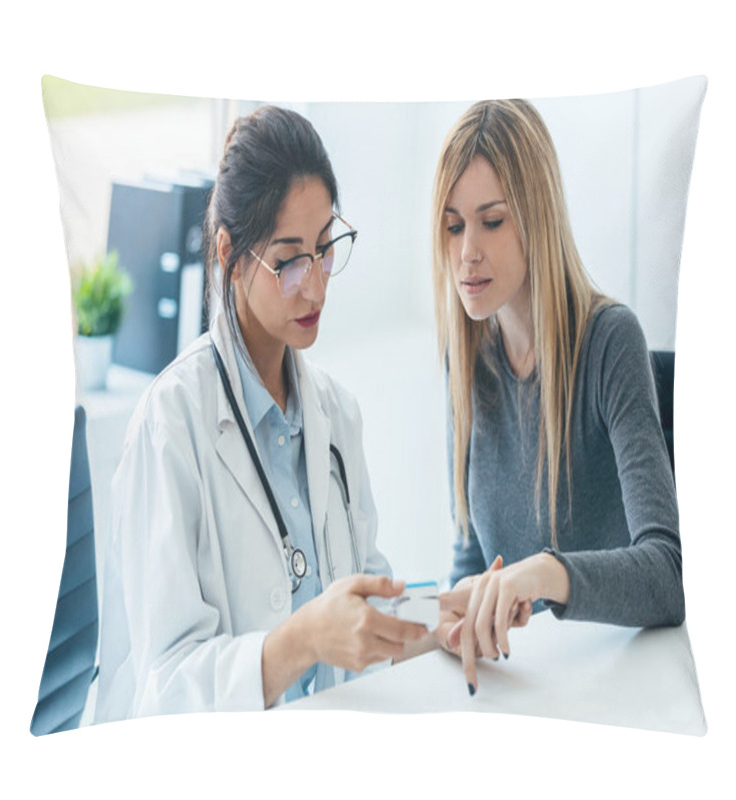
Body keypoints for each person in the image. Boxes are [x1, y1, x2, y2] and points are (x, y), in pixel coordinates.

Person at [94, 106, 427, 722]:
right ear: (229, 253)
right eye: (289, 260)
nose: (317, 286)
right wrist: (300, 642)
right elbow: (161, 687)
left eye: (326, 248)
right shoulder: (170, 426)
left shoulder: (338, 415)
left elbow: (368, 604)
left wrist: (451, 621)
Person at [431, 99, 685, 696]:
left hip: (620, 684)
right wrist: (454, 626)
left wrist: (546, 573)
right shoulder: (464, 363)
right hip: (526, 687)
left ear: (535, 218)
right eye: (452, 225)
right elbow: (471, 562)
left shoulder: (609, 341)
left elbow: (667, 574)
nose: (467, 250)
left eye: (491, 221)